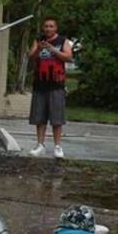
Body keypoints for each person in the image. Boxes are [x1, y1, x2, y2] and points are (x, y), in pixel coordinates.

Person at [27, 17, 74, 159]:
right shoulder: (38, 40)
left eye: (51, 26)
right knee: (40, 117)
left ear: (56, 28)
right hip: (40, 84)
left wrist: (53, 50)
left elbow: (69, 57)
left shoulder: (62, 41)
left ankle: (57, 146)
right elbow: (31, 57)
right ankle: (40, 145)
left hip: (56, 85)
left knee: (56, 118)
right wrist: (39, 49)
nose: (48, 28)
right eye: (46, 26)